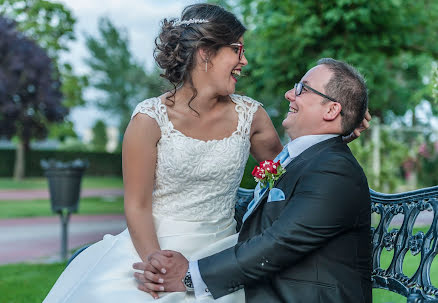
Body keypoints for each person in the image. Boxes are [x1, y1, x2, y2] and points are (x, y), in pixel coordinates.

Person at [43, 3, 369, 302]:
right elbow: (137, 204)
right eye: (237, 50)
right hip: (155, 243)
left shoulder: (251, 116)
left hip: (220, 248)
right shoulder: (148, 119)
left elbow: (288, 169)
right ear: (205, 53)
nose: (244, 61)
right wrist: (155, 265)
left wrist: (338, 132)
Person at [134, 58, 372, 303]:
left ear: (331, 110)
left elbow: (280, 242)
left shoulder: (334, 169)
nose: (289, 94)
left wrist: (190, 277)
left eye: (302, 89)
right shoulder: (312, 160)